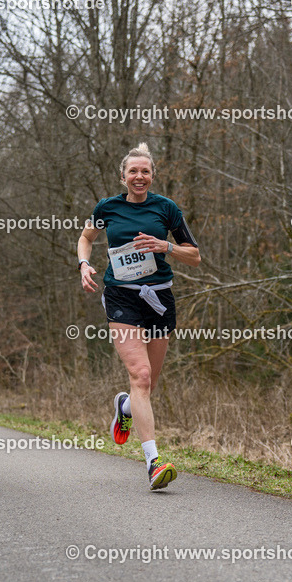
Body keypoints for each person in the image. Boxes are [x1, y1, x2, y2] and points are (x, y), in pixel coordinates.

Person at [77, 143, 200, 490]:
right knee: (141, 376)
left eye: (145, 171)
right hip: (121, 298)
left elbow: (195, 256)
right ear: (123, 176)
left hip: (159, 299)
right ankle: (153, 462)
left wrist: (167, 247)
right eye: (133, 171)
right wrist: (84, 263)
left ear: (152, 175)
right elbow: (86, 238)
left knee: (149, 385)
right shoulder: (107, 208)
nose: (139, 176)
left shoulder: (167, 209)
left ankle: (126, 408)